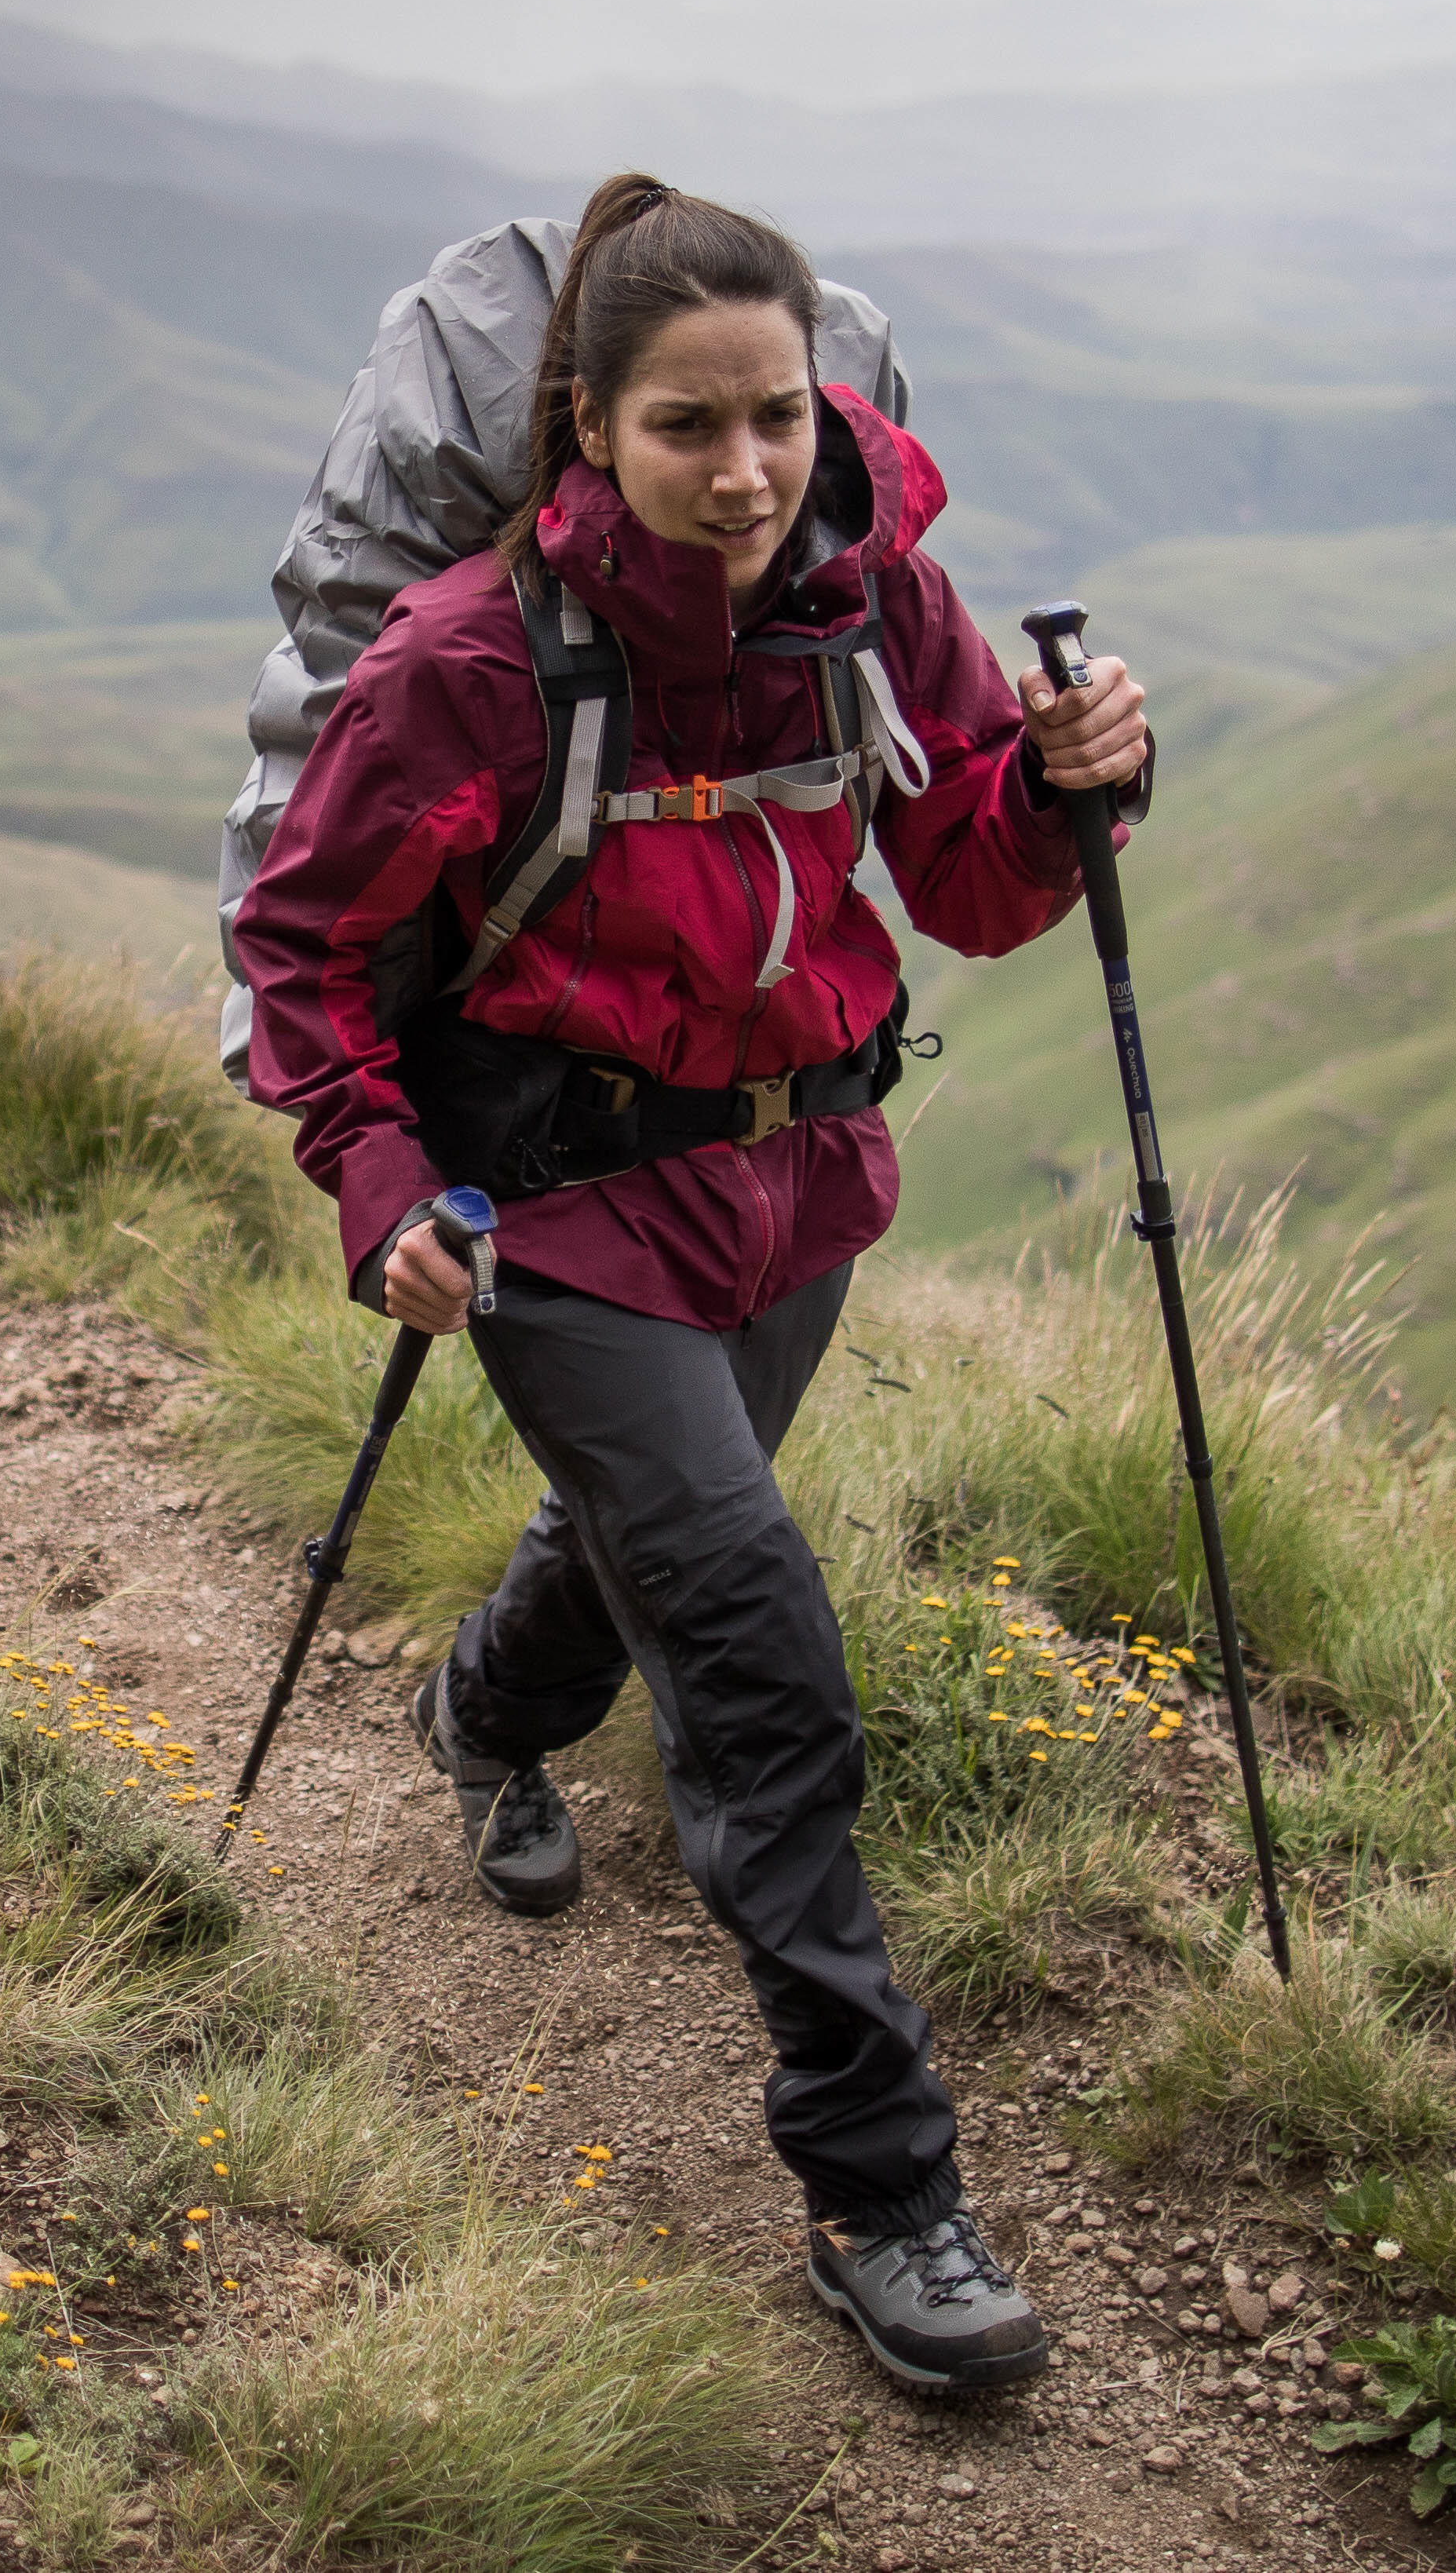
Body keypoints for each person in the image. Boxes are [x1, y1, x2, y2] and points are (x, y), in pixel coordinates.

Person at [228, 173, 1151, 2397]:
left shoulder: (872, 609)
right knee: (753, 1643)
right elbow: (308, 946)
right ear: (588, 435)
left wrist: (1073, 788)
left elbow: (974, 887)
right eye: (683, 428)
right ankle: (885, 2193)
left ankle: (487, 1710)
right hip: (553, 1213)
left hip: (795, 1178)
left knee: (656, 1530)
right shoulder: (471, 662)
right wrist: (376, 1178)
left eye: (778, 418)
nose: (745, 471)